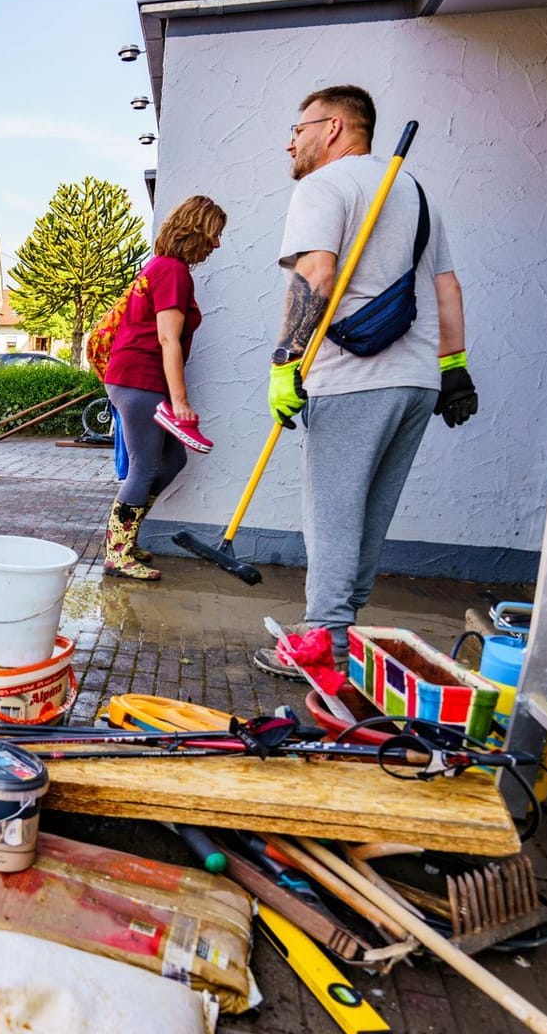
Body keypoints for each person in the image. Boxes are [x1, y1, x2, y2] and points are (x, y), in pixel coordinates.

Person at [251, 85, 479, 678]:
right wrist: (453, 369)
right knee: (371, 512)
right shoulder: (412, 190)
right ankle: (339, 628)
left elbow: (315, 274)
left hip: (354, 376)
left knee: (332, 512)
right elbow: (446, 286)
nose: (290, 141)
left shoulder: (323, 186)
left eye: (298, 129)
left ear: (332, 128)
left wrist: (284, 363)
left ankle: (323, 644)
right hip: (417, 379)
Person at [99, 195, 226, 581]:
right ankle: (116, 554)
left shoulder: (160, 267)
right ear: (196, 231)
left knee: (172, 461)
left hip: (138, 378)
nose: (217, 244)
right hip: (139, 378)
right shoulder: (172, 271)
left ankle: (127, 539)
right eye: (214, 234)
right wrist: (181, 403)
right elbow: (168, 340)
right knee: (147, 464)